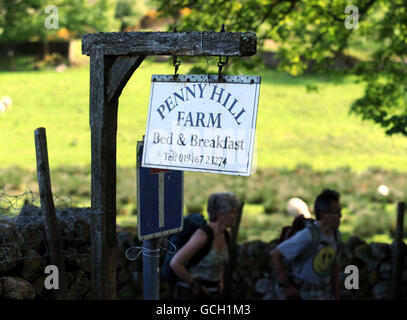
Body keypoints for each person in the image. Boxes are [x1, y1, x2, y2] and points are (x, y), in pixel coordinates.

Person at [269, 189, 342, 300]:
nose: (340, 216)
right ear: (323, 215)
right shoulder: (308, 235)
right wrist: (286, 286)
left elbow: (334, 264)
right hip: (303, 294)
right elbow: (276, 254)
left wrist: (336, 294)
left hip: (323, 294)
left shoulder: (336, 236)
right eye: (336, 212)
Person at [169, 192, 240, 300]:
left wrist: (219, 281)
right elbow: (175, 263)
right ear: (220, 215)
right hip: (191, 294)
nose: (236, 215)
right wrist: (194, 285)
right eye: (233, 212)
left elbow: (221, 263)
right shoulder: (202, 236)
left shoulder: (226, 235)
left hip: (213, 294)